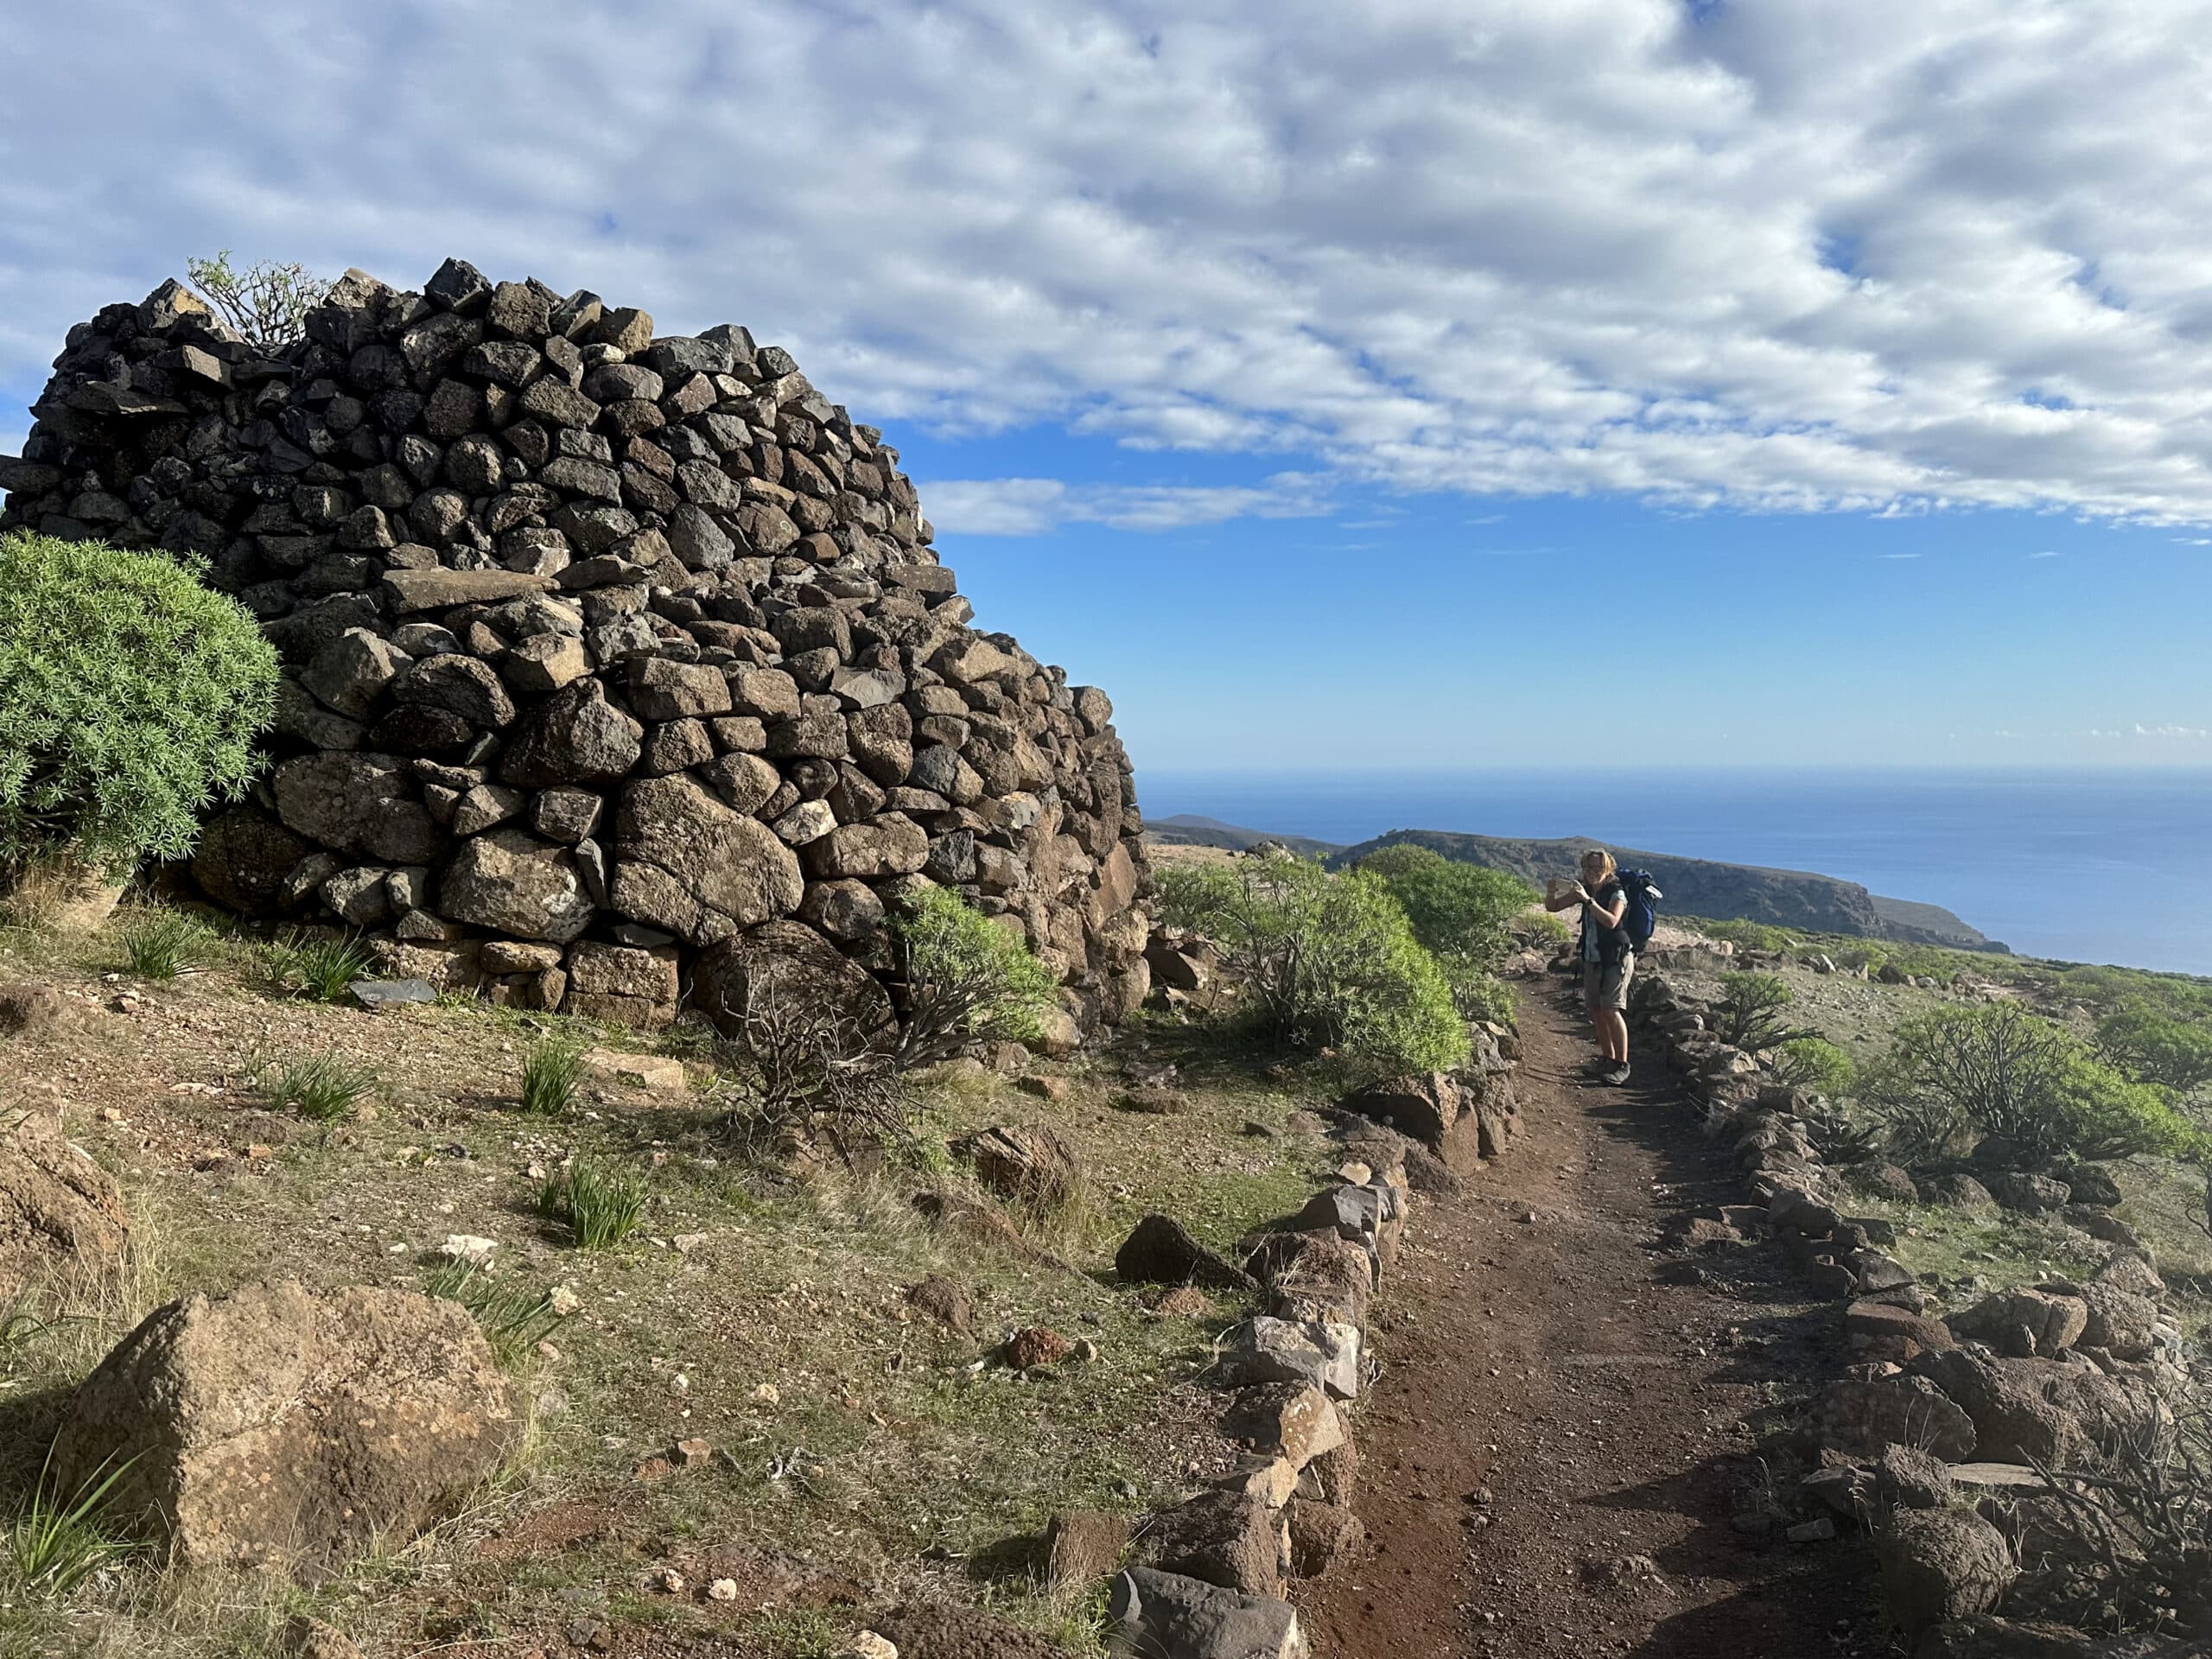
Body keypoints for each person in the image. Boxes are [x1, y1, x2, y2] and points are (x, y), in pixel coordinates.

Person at [1547, 849, 1633, 1084]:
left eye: (1597, 868)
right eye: (1588, 868)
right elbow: (1553, 907)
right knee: (1597, 1010)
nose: (1592, 872)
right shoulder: (1584, 891)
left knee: (1611, 1009)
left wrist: (1587, 899)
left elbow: (1612, 921)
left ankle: (1622, 1065)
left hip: (1616, 958)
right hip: (1593, 957)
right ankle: (1607, 1059)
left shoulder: (1617, 892)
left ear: (1608, 869)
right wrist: (1551, 890)